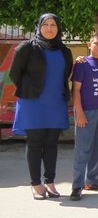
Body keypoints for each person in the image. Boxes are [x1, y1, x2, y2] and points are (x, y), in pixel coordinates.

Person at [9, 13, 73, 200]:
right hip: (32, 103)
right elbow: (15, 74)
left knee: (51, 144)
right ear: (38, 26)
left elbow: (66, 73)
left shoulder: (64, 51)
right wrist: (30, 88)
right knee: (35, 143)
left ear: (58, 28)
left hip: (56, 102)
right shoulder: (27, 48)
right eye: (46, 24)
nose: (50, 28)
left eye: (53, 25)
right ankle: (36, 184)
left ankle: (50, 181)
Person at [70, 34, 98, 201]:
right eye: (97, 43)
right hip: (86, 112)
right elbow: (76, 90)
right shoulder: (82, 64)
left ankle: (92, 181)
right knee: (83, 149)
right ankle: (76, 186)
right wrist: (79, 112)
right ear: (89, 44)